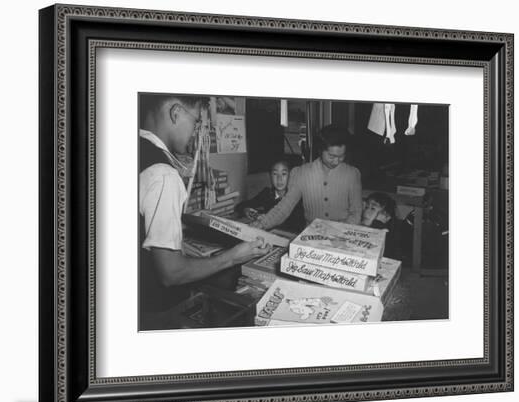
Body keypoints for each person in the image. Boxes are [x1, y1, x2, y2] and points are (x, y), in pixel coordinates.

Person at [139, 94, 270, 326]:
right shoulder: (163, 175)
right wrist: (233, 257)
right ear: (176, 113)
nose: (195, 132)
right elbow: (171, 273)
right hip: (153, 310)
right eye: (196, 121)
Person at [251, 124, 362, 230]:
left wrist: (337, 230)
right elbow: (284, 207)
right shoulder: (301, 173)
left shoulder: (352, 174)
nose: (336, 161)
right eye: (331, 156)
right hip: (311, 236)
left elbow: (356, 213)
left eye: (341, 156)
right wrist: (263, 223)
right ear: (320, 150)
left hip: (343, 235)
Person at [236, 160, 305, 232]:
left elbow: (297, 226)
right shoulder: (267, 193)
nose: (279, 179)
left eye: (284, 174)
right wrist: (246, 210)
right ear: (270, 176)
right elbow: (240, 205)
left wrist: (266, 219)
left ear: (290, 176)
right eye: (275, 174)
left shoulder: (295, 197)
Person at [361, 192, 400, 259]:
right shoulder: (362, 226)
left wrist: (378, 223)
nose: (366, 211)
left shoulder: (386, 233)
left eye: (373, 209)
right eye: (366, 207)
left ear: (386, 215)